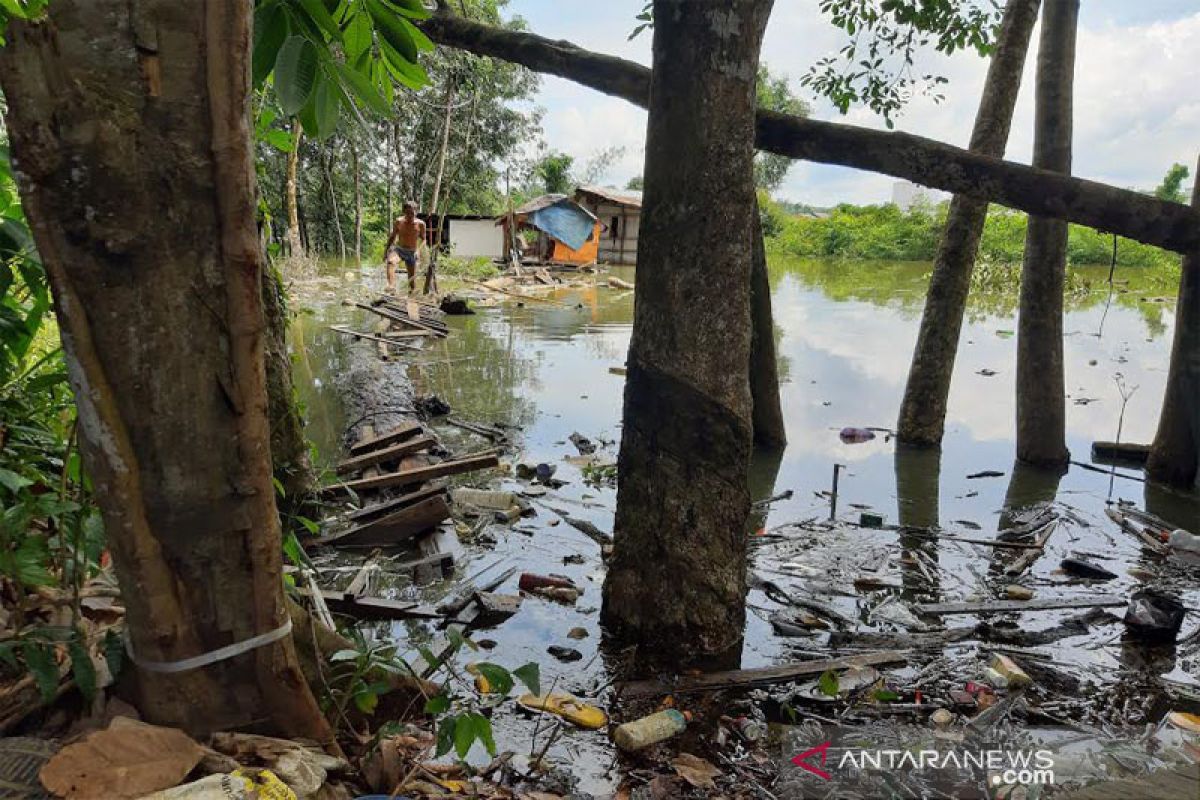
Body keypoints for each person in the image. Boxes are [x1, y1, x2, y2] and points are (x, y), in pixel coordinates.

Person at [384, 201, 426, 293]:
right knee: (391, 262)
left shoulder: (421, 224)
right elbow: (392, 237)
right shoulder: (399, 221)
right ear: (404, 212)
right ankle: (391, 286)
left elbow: (424, 239)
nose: (410, 215)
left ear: (416, 212)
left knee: (412, 283)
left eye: (412, 213)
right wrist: (386, 252)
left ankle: (412, 299)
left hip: (412, 252)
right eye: (407, 213)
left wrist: (418, 251)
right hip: (399, 250)